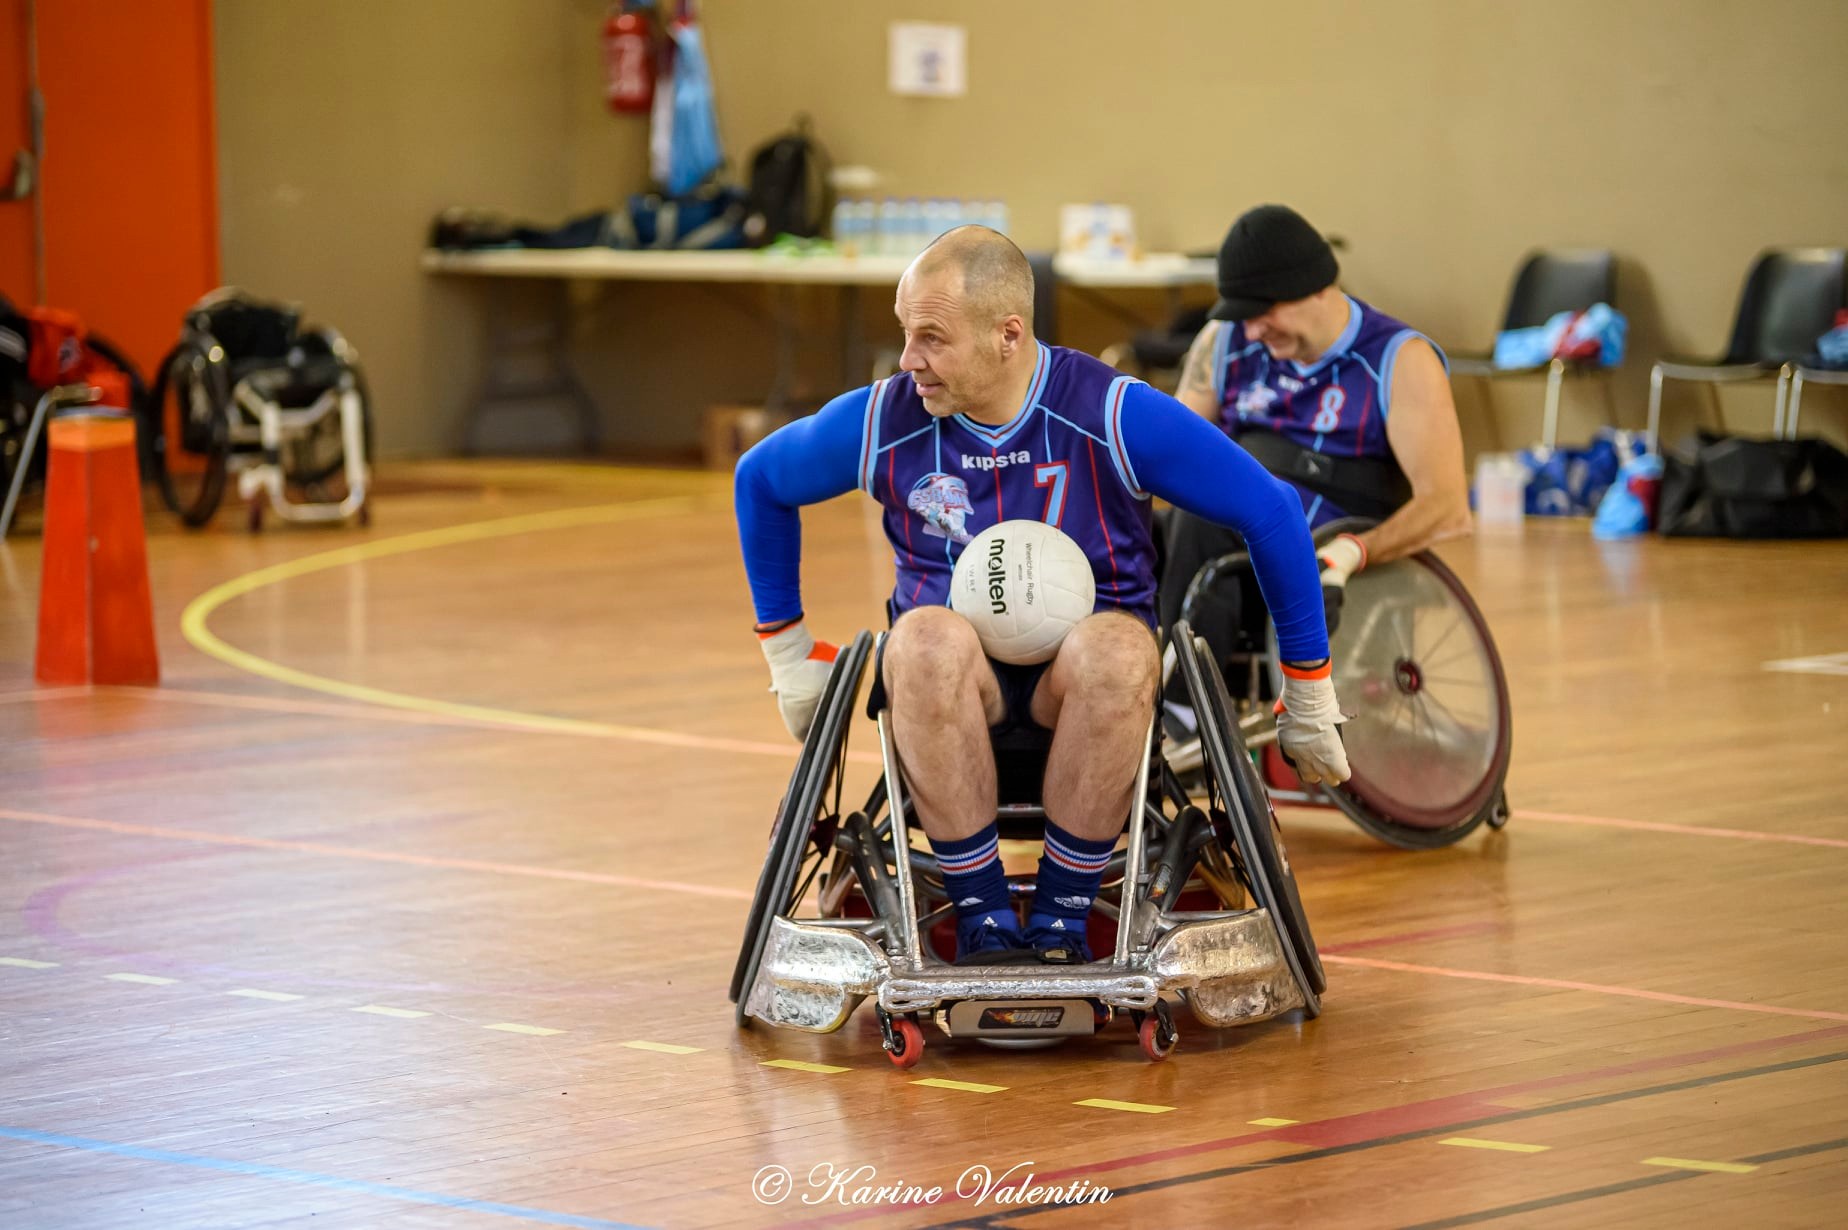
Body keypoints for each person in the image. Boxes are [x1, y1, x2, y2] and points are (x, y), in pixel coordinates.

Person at [734, 226, 1348, 966]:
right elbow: (759, 480)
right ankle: (982, 913)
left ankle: (1062, 911)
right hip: (953, 694)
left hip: (1089, 696)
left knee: (1118, 646)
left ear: (1007, 334)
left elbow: (1272, 510)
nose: (908, 360)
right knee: (926, 637)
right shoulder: (885, 418)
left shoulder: (1111, 412)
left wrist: (1309, 695)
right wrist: (790, 656)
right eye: (905, 333)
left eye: (931, 337)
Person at [1158, 205, 1472, 693]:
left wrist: (1353, 551)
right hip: (1240, 519)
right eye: (1243, 315)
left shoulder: (1399, 359)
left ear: (1317, 288)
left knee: (1207, 517)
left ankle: (1179, 709)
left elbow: (1447, 508)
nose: (1254, 329)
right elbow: (1172, 451)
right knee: (1145, 528)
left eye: (1263, 311)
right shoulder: (1225, 340)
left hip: (1329, 530)